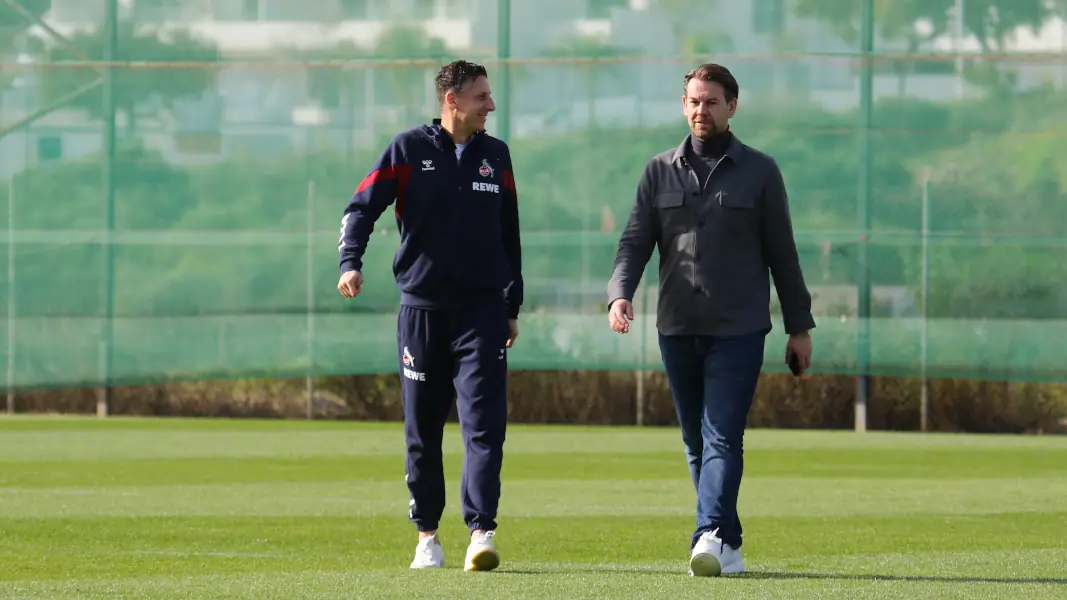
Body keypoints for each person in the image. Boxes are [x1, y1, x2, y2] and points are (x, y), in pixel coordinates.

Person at [605, 63, 815, 577]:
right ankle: (731, 543)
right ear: (684, 105)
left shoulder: (760, 171)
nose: (702, 111)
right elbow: (635, 242)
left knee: (721, 435)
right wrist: (619, 294)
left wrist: (799, 326)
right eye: (694, 101)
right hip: (677, 325)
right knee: (696, 441)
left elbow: (782, 254)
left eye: (712, 102)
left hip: (739, 328)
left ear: (732, 107)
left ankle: (708, 535)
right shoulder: (658, 170)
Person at [336, 59, 523, 573]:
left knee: (484, 426)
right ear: (452, 101)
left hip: (482, 313)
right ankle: (428, 536)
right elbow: (360, 208)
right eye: (481, 96)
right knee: (422, 430)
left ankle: (481, 531)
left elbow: (510, 235)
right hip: (421, 313)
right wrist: (350, 262)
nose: (490, 104)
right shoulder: (407, 150)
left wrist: (511, 306)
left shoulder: (496, 156)